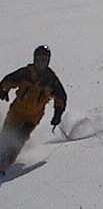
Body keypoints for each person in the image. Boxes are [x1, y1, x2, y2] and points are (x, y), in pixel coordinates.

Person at [0, 45, 67, 174]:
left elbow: (61, 98)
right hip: (16, 113)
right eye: (39, 58)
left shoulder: (51, 80)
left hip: (32, 117)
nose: (41, 62)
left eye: (44, 59)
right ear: (35, 59)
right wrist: (3, 90)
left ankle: (4, 164)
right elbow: (9, 80)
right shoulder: (26, 73)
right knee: (6, 137)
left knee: (19, 138)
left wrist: (57, 114)